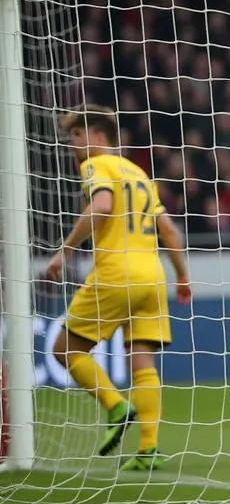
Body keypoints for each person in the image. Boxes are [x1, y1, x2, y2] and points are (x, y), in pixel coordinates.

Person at [46, 106, 191, 470]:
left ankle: (115, 405)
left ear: (97, 136)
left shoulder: (97, 166)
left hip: (116, 271)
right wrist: (183, 276)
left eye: (77, 136)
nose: (73, 145)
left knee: (64, 349)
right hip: (152, 275)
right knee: (142, 359)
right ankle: (148, 448)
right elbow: (169, 230)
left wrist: (64, 251)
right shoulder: (140, 173)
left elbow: (102, 206)